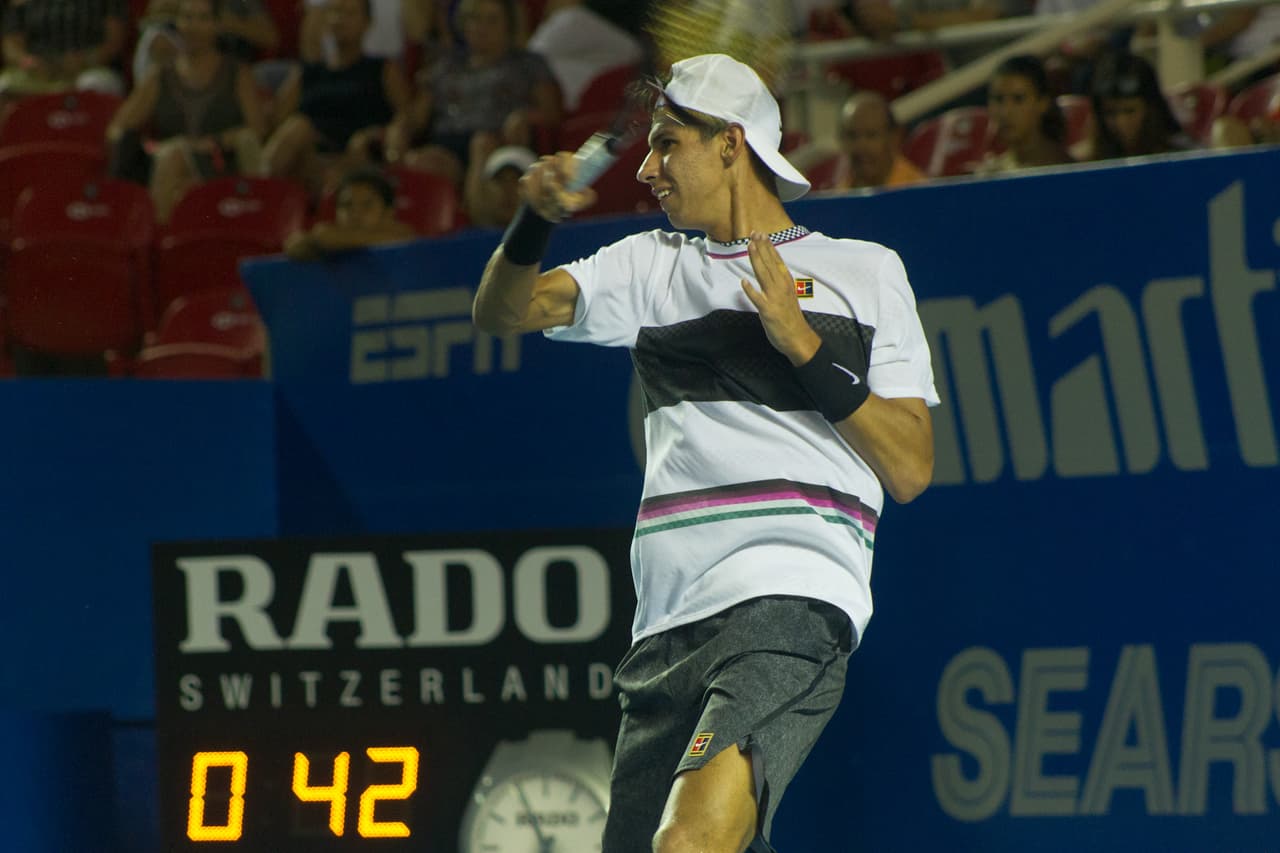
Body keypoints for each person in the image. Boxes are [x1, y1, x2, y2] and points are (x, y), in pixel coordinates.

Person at [472, 53, 938, 853]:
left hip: (789, 593)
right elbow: (501, 311)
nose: (648, 169)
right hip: (666, 625)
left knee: (687, 842)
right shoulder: (649, 267)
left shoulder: (865, 272)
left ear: (731, 143)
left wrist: (803, 347)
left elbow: (910, 467)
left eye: (666, 143)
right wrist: (534, 220)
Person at [106, 0, 266, 222]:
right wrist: (152, 148)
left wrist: (216, 142)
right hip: (170, 166)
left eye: (202, 18)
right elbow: (119, 126)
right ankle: (159, 240)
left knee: (178, 167)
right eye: (187, 17)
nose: (193, 26)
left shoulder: (237, 73)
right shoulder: (161, 75)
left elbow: (257, 130)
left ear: (218, 25)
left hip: (221, 163)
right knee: (173, 160)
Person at [396, 0, 561, 186]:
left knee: (481, 145)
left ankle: (482, 212)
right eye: (475, 19)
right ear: (463, 24)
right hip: (448, 143)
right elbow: (417, 118)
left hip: (499, 141)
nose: (482, 28)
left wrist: (525, 117)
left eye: (492, 20)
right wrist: (400, 128)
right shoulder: (445, 66)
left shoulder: (528, 63)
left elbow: (552, 113)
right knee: (420, 161)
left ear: (508, 24)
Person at [260, 0, 415, 196]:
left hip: (360, 152)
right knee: (298, 127)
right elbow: (276, 122)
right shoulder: (307, 73)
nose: (339, 20)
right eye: (334, 12)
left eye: (349, 13)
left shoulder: (382, 69)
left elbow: (405, 117)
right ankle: (262, 197)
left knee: (323, 147)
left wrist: (377, 136)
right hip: (309, 155)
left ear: (367, 23)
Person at [1076, 49, 1194, 161]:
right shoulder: (1084, 164)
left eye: (1129, 111)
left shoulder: (1184, 158)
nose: (1121, 122)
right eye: (1110, 112)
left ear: (1151, 109)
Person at [283, 165, 415, 260]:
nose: (355, 213)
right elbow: (295, 246)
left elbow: (403, 238)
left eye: (367, 205)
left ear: (388, 213)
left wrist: (330, 240)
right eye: (346, 205)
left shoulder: (402, 235)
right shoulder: (326, 237)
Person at [977, 54, 1073, 173]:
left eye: (1018, 99)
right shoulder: (992, 173)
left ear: (1043, 103)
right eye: (998, 99)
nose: (1005, 112)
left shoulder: (1065, 170)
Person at [815, 90, 925, 190]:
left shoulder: (920, 194)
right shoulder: (837, 198)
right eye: (852, 136)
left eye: (871, 135)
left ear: (894, 138)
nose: (861, 146)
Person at [463, 136, 536, 227]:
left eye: (517, 180)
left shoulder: (556, 237)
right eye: (499, 180)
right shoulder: (465, 240)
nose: (508, 190)